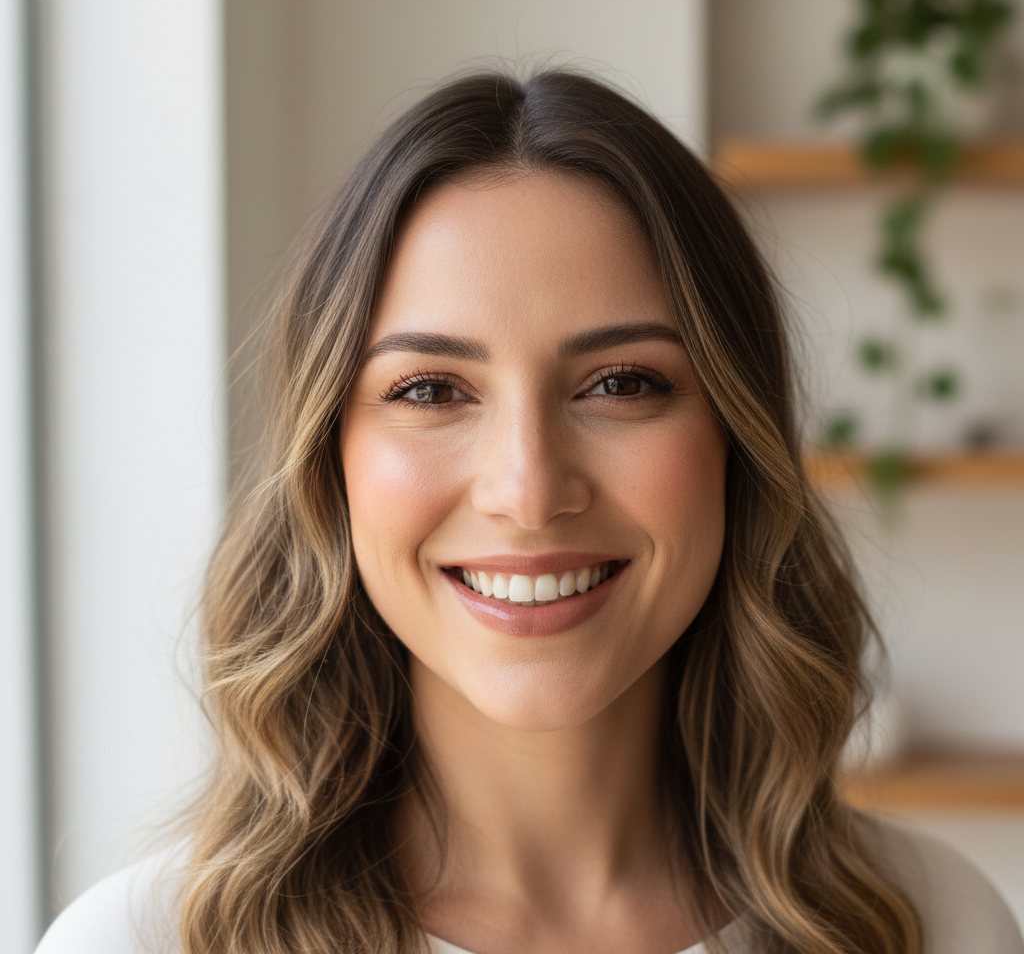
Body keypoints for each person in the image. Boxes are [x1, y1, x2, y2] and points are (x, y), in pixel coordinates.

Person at [37, 70, 1024, 954]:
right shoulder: (142, 943)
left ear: (734, 433)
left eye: (622, 383)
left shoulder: (934, 925)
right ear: (329, 458)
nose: (528, 488)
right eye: (430, 390)